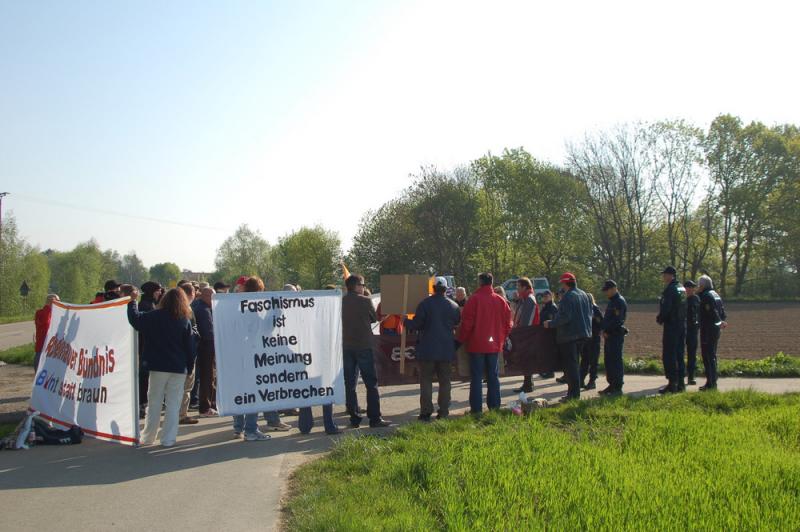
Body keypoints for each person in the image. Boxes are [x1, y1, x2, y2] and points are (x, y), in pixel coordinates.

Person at [127, 287, 199, 447]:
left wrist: (132, 301)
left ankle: (148, 437)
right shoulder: (184, 320)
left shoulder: (154, 316)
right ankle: (168, 439)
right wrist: (189, 366)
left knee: (154, 403)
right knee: (173, 405)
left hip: (157, 366)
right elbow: (190, 348)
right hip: (178, 367)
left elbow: (135, 320)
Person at [404, 277, 461, 421]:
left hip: (427, 349)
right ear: (446, 289)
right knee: (445, 382)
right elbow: (457, 323)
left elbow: (417, 324)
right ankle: (443, 411)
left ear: (433, 288)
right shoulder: (454, 306)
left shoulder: (424, 304)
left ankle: (426, 412)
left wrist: (405, 321)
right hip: (446, 350)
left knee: (426, 381)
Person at [240, 276, 293, 431]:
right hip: (258, 353)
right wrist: (277, 311)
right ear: (259, 289)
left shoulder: (239, 304)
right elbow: (265, 329)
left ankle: (260, 423)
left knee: (263, 387)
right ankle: (253, 427)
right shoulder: (254, 307)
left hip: (248, 352)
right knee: (263, 387)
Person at [457, 272, 512, 414]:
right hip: (494, 344)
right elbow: (508, 323)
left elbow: (466, 324)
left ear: (480, 282)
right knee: (493, 376)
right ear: (491, 282)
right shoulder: (500, 300)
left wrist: (460, 340)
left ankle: (476, 409)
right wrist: (501, 338)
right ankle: (494, 407)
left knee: (476, 377)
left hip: (476, 344)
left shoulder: (474, 300)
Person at [342, 274, 390, 428]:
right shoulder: (365, 300)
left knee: (349, 384)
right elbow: (374, 318)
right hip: (364, 346)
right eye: (362, 285)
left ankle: (354, 418)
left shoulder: (340, 302)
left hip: (347, 346)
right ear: (356, 286)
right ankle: (374, 418)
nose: (364, 287)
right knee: (371, 383)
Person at [293, 284, 341, 435]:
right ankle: (329, 425)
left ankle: (305, 426)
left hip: (304, 357)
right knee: (325, 391)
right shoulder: (329, 315)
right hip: (321, 357)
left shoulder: (301, 311)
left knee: (307, 391)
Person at [543, 272, 592, 401]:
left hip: (569, 336)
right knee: (576, 364)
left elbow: (565, 317)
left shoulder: (568, 297)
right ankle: (575, 392)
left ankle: (573, 395)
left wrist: (551, 324)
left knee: (571, 367)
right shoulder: (584, 295)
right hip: (583, 334)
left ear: (565, 283)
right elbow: (589, 315)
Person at [657, 266, 688, 394]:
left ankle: (672, 383)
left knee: (670, 354)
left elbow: (666, 307)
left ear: (671, 275)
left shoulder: (670, 289)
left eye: (665, 275)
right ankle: (681, 383)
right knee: (679, 354)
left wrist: (660, 318)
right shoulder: (682, 288)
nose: (663, 277)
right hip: (681, 324)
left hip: (672, 325)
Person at [136, 281, 163, 417]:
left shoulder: (150, 304)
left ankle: (145, 404)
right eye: (157, 290)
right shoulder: (145, 306)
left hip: (148, 347)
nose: (160, 293)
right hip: (145, 347)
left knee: (147, 378)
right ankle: (143, 405)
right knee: (145, 378)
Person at [697, 275, 727, 391]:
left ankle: (711, 382)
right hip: (715, 329)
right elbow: (722, 311)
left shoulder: (705, 296)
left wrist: (718, 321)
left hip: (708, 329)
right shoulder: (716, 294)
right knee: (712, 354)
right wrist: (722, 321)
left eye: (699, 284)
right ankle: (712, 380)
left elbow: (712, 311)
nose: (698, 287)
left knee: (707, 355)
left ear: (703, 285)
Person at [176, 282, 200, 425]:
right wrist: (196, 335)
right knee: (185, 387)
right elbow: (192, 331)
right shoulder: (187, 309)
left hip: (177, 354)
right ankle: (181, 414)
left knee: (177, 387)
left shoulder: (171, 307)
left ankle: (177, 413)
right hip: (187, 353)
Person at [192, 287, 218, 417]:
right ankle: (205, 407)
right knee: (207, 377)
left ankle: (210, 404)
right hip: (206, 348)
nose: (214, 300)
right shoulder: (203, 310)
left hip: (206, 347)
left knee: (209, 377)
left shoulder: (204, 308)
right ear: (205, 296)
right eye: (212, 297)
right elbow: (208, 332)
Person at [512, 278, 540, 394]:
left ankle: (528, 384)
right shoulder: (525, 299)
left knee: (527, 359)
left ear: (524, 287)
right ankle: (528, 383)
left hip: (528, 335)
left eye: (518, 287)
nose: (517, 289)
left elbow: (527, 321)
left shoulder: (529, 300)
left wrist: (521, 334)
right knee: (526, 359)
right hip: (527, 334)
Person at [599, 280, 627, 396]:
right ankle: (611, 385)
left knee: (615, 361)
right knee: (609, 361)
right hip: (609, 336)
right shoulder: (612, 301)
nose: (606, 293)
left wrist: (607, 330)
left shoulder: (619, 302)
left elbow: (617, 320)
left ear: (614, 288)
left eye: (607, 290)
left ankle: (617, 386)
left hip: (615, 335)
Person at [579, 293, 603, 390]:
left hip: (594, 338)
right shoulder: (585, 309)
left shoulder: (594, 308)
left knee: (593, 361)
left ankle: (592, 381)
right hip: (586, 338)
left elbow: (601, 321)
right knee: (585, 360)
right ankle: (581, 380)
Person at [33, 294, 60, 370]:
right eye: (56, 302)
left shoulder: (56, 314)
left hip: (53, 351)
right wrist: (48, 307)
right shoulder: (40, 313)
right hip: (42, 349)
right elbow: (45, 322)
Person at [538, 290, 558, 379]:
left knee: (550, 353)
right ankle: (547, 370)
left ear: (551, 296)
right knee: (546, 353)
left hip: (550, 333)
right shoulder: (545, 307)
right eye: (543, 296)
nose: (544, 298)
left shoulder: (552, 307)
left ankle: (550, 371)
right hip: (544, 332)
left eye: (546, 296)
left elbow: (553, 320)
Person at [684, 280, 700, 386]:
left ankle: (691, 376)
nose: (690, 289)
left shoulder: (696, 299)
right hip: (682, 329)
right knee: (679, 353)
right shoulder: (682, 300)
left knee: (692, 353)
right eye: (688, 287)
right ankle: (679, 375)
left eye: (692, 287)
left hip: (693, 330)